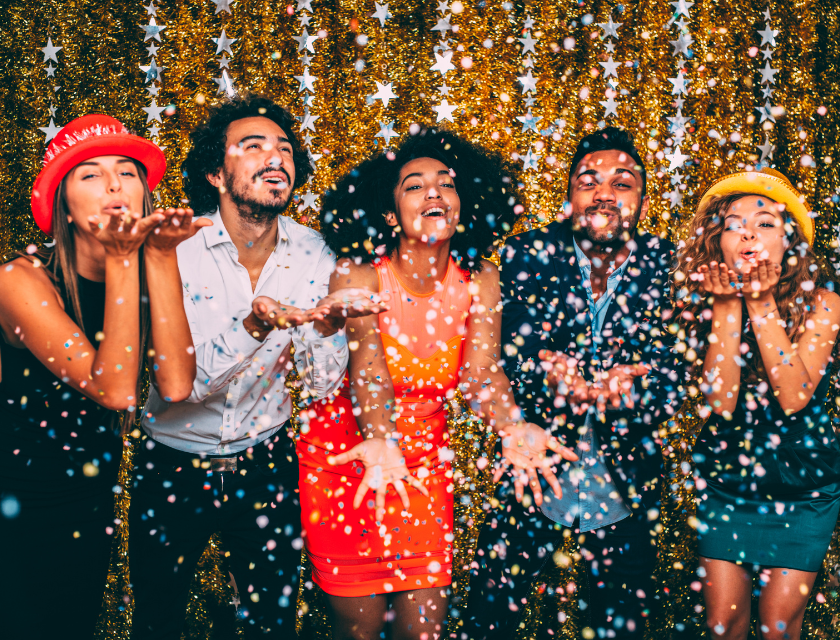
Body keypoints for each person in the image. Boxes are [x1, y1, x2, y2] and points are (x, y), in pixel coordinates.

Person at [298, 127, 576, 640]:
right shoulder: (357, 275)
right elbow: (369, 371)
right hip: (349, 460)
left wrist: (513, 426)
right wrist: (381, 437)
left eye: (446, 184)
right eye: (413, 185)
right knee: (356, 631)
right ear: (389, 214)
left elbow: (480, 374)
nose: (433, 192)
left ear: (462, 206)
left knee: (423, 631)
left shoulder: (481, 278)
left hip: (425, 467)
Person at [128, 95, 385, 639]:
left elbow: (318, 386)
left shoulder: (317, 253)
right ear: (216, 174)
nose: (276, 158)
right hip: (172, 466)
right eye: (253, 147)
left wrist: (325, 328)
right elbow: (180, 386)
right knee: (157, 620)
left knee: (272, 625)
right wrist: (256, 325)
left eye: (285, 148)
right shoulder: (174, 249)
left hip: (265, 467)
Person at [463, 127, 685, 640]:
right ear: (569, 198)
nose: (604, 191)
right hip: (532, 469)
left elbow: (680, 366)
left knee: (620, 625)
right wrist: (544, 373)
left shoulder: (670, 265)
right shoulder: (524, 256)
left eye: (622, 181)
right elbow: (495, 355)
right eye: (589, 180)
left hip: (625, 479)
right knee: (490, 619)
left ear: (643, 202)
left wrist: (638, 387)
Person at [0, 115, 201, 638]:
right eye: (89, 174)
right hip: (16, 502)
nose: (114, 184)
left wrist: (158, 256)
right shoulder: (19, 280)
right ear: (61, 203)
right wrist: (125, 258)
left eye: (127, 172)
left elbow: (177, 385)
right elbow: (113, 390)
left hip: (89, 502)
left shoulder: (141, 263)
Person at [675, 168, 840, 640]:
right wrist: (728, 306)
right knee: (722, 624)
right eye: (733, 223)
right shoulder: (704, 300)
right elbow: (722, 403)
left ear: (790, 241)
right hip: (730, 479)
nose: (747, 230)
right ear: (717, 243)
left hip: (804, 484)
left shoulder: (824, 302)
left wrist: (760, 301)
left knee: (778, 628)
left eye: (765, 221)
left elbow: (793, 397)